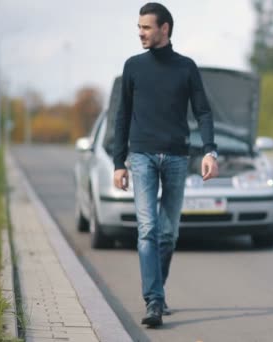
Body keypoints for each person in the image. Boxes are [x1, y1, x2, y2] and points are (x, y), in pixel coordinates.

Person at [112, 2, 219, 328]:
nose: (141, 33)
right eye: (139, 27)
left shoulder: (186, 67)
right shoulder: (133, 66)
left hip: (176, 157)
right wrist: (119, 162)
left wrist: (210, 151)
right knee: (148, 229)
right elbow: (122, 115)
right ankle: (154, 301)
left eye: (146, 27)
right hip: (141, 156)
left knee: (168, 234)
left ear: (164, 29)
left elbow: (203, 111)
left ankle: (158, 292)